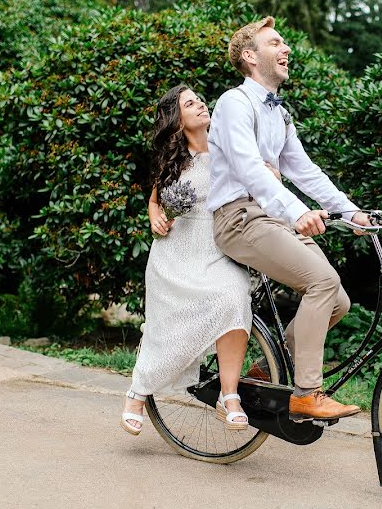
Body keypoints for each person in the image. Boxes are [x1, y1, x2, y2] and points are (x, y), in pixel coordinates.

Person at [208, 16, 373, 421]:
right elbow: (249, 169)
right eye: (275, 43)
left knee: (338, 301)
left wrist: (351, 211)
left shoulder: (280, 115)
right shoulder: (234, 103)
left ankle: (267, 371)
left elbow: (305, 171)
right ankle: (306, 393)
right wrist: (297, 212)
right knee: (323, 281)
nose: (286, 49)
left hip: (269, 218)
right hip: (239, 218)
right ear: (250, 57)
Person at [120, 84, 279, 435]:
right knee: (166, 327)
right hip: (176, 253)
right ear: (178, 122)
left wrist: (271, 176)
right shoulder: (173, 161)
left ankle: (230, 395)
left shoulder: (229, 150)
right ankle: (138, 392)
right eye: (190, 103)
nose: (200, 105)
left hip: (218, 247)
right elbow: (155, 200)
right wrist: (155, 216)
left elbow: (261, 181)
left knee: (234, 297)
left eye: (199, 100)